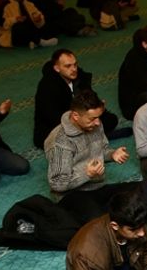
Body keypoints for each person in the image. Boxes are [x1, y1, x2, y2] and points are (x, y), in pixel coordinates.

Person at [45, 88, 134, 222]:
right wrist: (86, 174)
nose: (98, 122)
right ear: (76, 116)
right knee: (100, 222)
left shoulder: (95, 124)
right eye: (92, 119)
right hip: (72, 195)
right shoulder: (60, 142)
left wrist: (112, 154)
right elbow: (57, 183)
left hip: (97, 186)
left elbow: (101, 150)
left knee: (140, 190)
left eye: (98, 117)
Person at [34, 49, 123, 149]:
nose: (74, 69)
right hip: (58, 125)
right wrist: (79, 121)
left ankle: (89, 137)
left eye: (75, 65)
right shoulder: (47, 86)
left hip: (83, 117)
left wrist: (99, 108)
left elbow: (90, 99)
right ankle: (95, 137)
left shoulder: (80, 77)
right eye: (68, 66)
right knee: (63, 139)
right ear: (57, 68)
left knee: (111, 120)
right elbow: (52, 117)